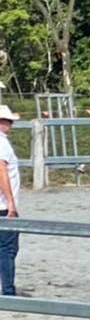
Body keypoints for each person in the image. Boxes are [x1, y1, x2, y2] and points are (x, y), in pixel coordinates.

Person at [0, 103, 20, 296]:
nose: (10, 125)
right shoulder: (2, 143)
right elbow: (2, 172)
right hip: (2, 205)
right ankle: (7, 290)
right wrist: (10, 203)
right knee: (8, 248)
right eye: (7, 121)